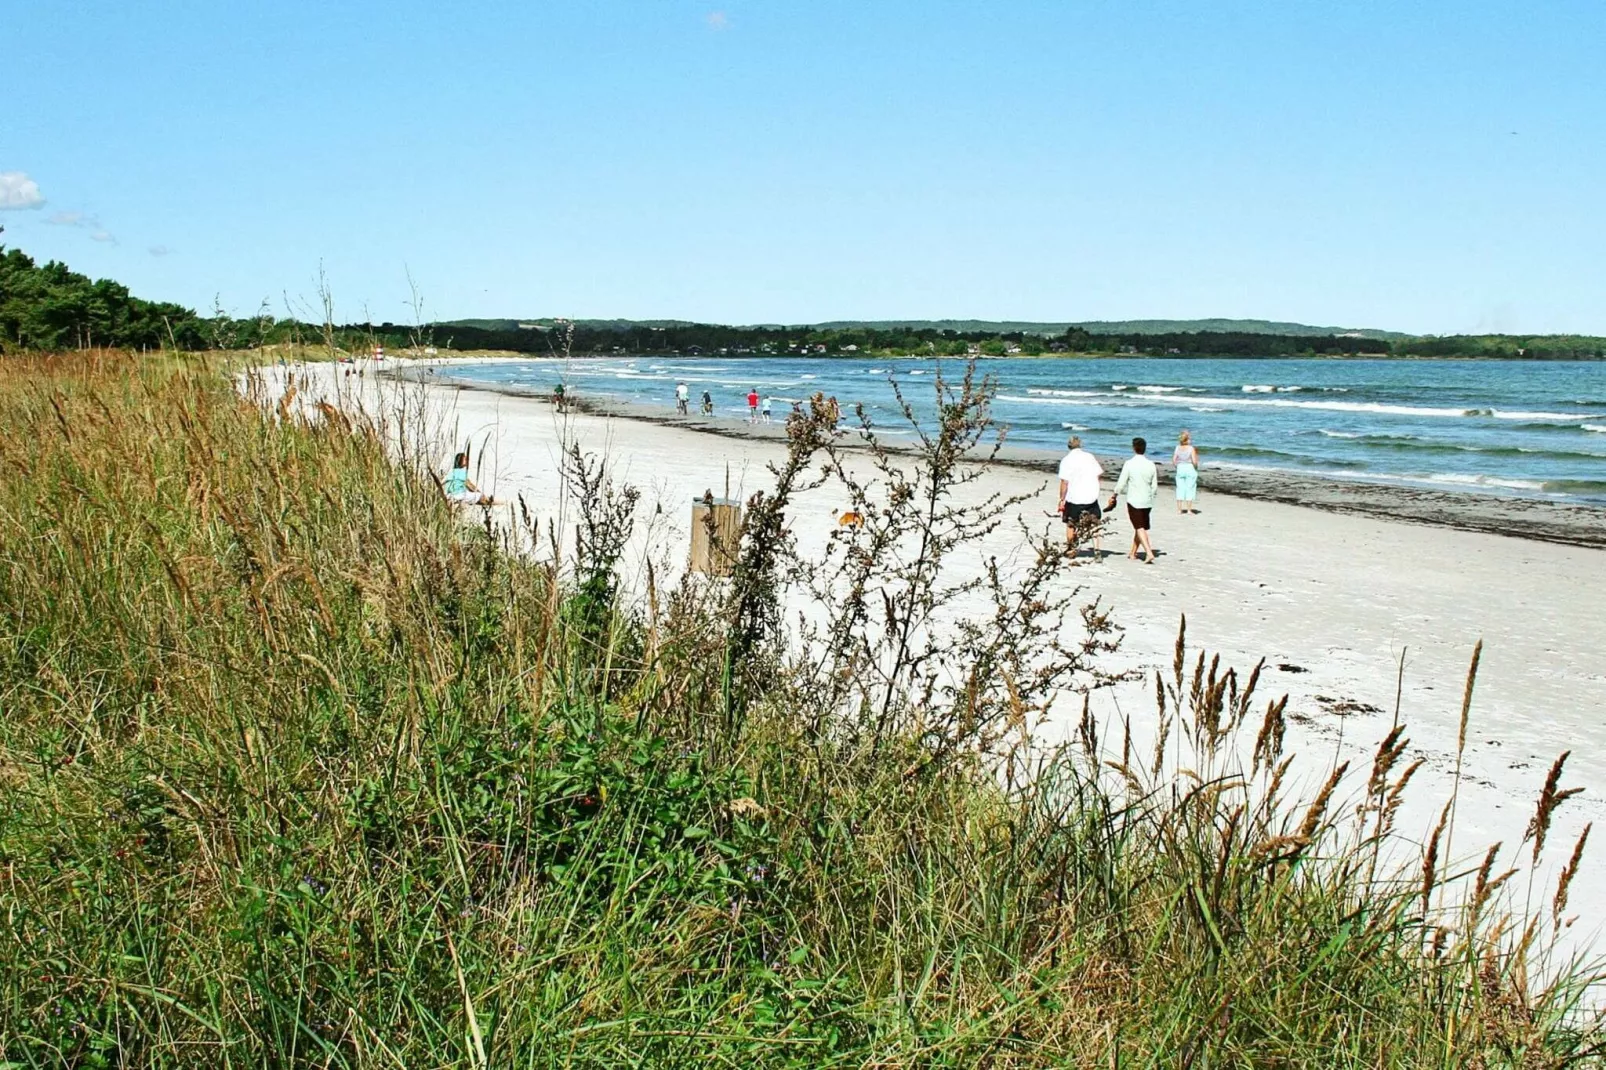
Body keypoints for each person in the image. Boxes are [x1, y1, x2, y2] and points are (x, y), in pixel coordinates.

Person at [1107, 437, 1159, 564]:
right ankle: (1132, 553)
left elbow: (1122, 482)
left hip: (1134, 500)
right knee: (1139, 526)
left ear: (1134, 448)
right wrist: (1151, 496)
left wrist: (1115, 494)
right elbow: (1154, 485)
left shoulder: (1129, 464)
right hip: (1147, 500)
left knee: (1139, 527)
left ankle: (1149, 552)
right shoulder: (1151, 464)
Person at [1056, 435, 1104, 558]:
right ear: (1080, 445)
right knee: (1094, 524)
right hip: (1090, 496)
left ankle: (1071, 548)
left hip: (1074, 497)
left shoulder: (1066, 460)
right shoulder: (1089, 457)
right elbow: (1098, 475)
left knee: (1071, 523)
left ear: (1068, 446)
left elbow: (1064, 482)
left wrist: (1062, 498)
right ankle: (1097, 550)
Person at [1173, 430, 1201, 514]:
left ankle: (1179, 509)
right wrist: (1196, 467)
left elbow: (1174, 460)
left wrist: (1177, 466)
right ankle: (1189, 509)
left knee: (1180, 488)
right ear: (1187, 440)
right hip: (1189, 468)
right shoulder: (1191, 448)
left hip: (1180, 467)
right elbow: (1194, 461)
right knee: (1190, 488)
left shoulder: (1177, 447)